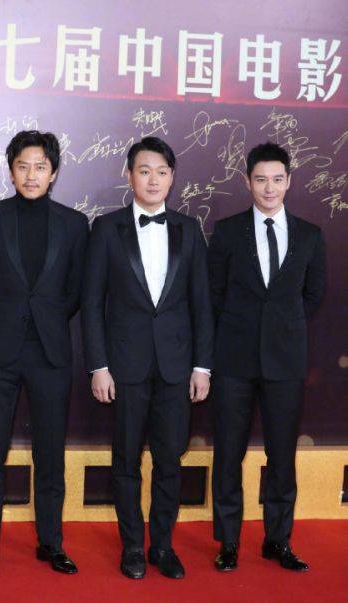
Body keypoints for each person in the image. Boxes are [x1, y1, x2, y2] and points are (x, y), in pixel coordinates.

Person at [81, 136, 213, 579]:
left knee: (169, 461)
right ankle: (133, 546)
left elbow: (202, 304)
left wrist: (202, 365)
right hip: (125, 366)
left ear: (172, 178)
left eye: (161, 172)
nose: (153, 180)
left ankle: (163, 547)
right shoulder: (106, 229)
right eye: (144, 171)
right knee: (126, 462)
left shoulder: (189, 229)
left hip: (177, 367)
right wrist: (99, 366)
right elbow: (92, 302)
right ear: (128, 175)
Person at [0, 130, 88, 575]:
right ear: (11, 170)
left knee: (50, 453)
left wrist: (45, 319)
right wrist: (5, 318)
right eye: (23, 166)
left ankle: (51, 542)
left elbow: (76, 290)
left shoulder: (75, 224)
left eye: (40, 166)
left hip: (50, 353)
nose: (31, 175)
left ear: (53, 173)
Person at [208, 141, 325, 572]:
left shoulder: (310, 235)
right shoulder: (226, 231)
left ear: (289, 181)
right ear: (248, 182)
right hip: (233, 362)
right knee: (228, 454)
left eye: (277, 179)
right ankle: (228, 542)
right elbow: (214, 292)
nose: (269, 188)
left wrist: (278, 327)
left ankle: (278, 540)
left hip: (285, 363)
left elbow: (312, 295)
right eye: (261, 179)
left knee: (282, 456)